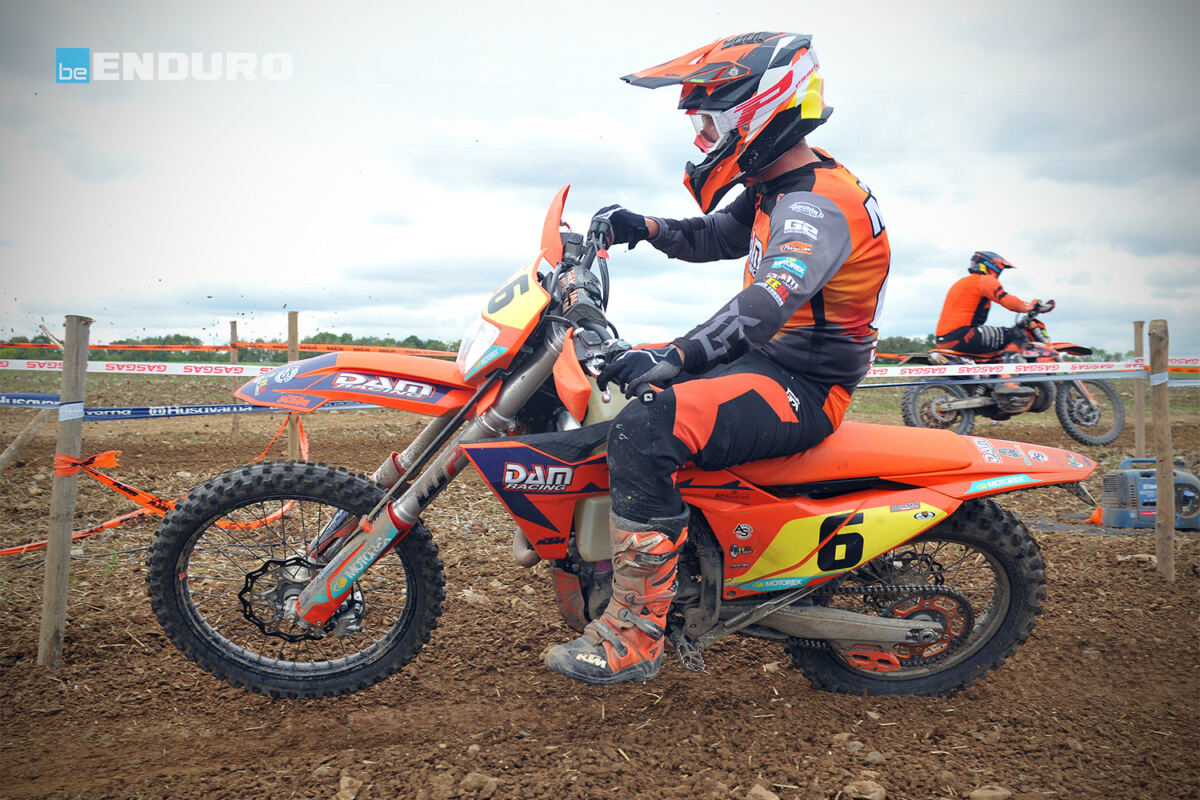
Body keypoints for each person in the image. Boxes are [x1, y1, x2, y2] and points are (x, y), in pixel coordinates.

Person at [544, 32, 892, 686]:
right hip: (768, 363)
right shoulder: (778, 182)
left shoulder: (816, 206)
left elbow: (764, 304)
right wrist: (642, 227)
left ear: (758, 111)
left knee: (645, 428)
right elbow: (716, 235)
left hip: (803, 386)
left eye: (710, 121)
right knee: (620, 389)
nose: (702, 137)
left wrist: (675, 355)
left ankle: (634, 635)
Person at [935, 251, 1055, 357]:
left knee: (1002, 339)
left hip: (944, 339)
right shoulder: (983, 280)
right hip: (964, 335)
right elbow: (1009, 302)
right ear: (992, 266)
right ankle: (1008, 372)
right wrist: (1032, 306)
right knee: (1018, 336)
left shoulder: (963, 282)